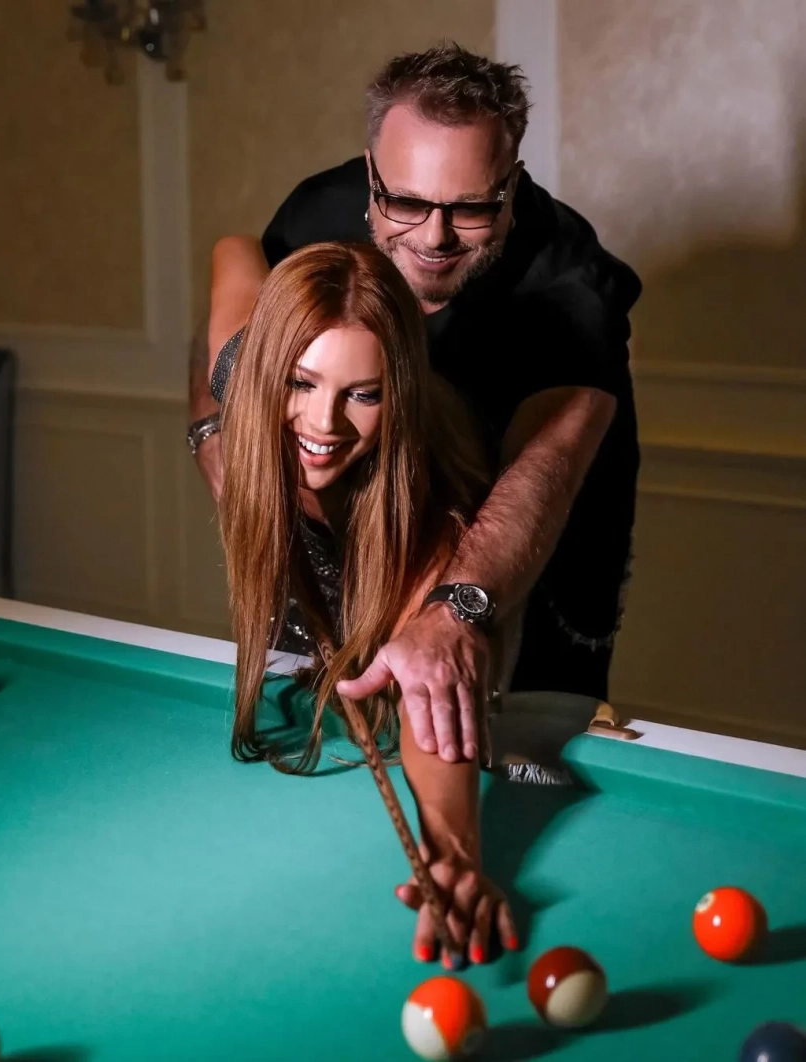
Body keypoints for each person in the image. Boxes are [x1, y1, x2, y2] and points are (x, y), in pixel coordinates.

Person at [187, 41, 642, 769]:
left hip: (529, 539)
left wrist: (457, 607)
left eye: (471, 208)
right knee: (336, 706)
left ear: (512, 182)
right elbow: (240, 325)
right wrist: (213, 424)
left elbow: (545, 469)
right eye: (405, 202)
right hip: (374, 514)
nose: (434, 237)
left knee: (515, 753)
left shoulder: (569, 283)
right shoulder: (321, 210)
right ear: (371, 173)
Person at [218, 238, 519, 967]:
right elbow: (232, 252)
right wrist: (208, 426)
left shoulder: (430, 509)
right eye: (300, 382)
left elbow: (427, 689)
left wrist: (452, 852)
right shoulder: (237, 367)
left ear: (398, 395)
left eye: (364, 394)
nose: (323, 424)